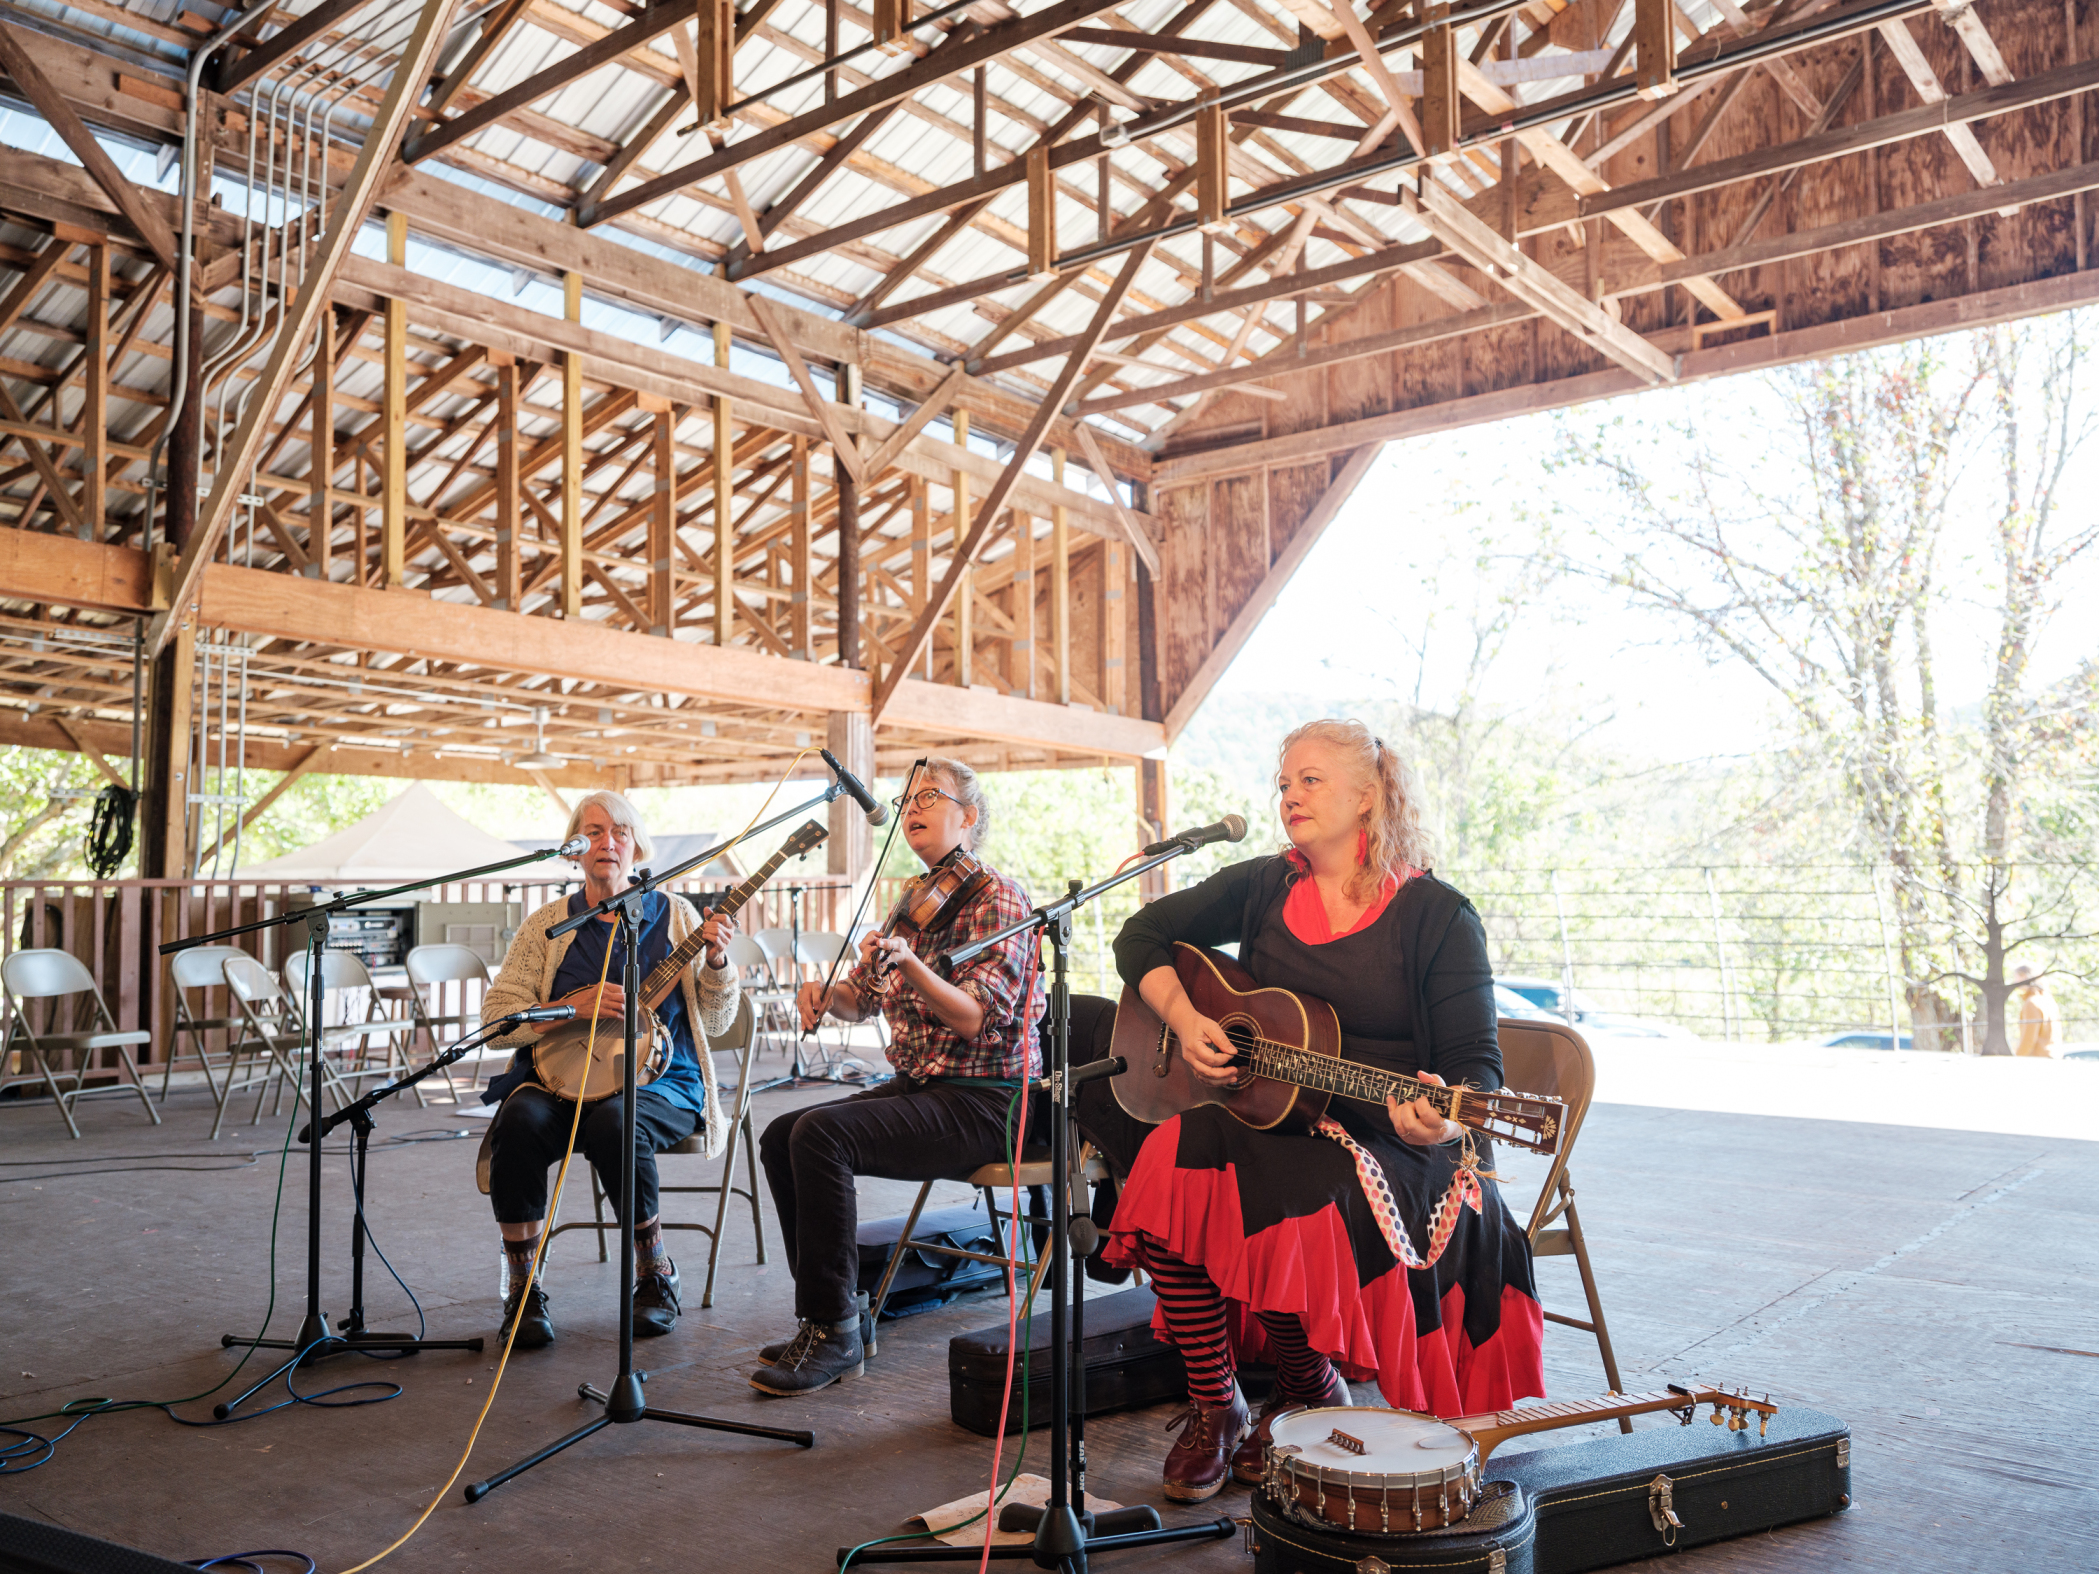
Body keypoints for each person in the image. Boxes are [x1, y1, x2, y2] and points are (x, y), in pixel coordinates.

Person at [1100, 719, 1545, 1503]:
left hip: (1394, 1141)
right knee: (1165, 1162)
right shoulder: (1266, 884)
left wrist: (1443, 1118)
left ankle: (1307, 1385)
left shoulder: (1437, 915)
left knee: (1300, 1200)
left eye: (1309, 780)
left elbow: (1475, 1068)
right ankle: (1220, 1405)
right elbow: (1144, 935)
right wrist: (1187, 1020)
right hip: (1274, 1114)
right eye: (1282, 782)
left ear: (1367, 795)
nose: (1288, 796)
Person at [754, 757, 1046, 1396]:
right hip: (927, 1088)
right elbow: (861, 1000)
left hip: (989, 1102)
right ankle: (832, 1312)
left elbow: (974, 1017)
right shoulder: (915, 901)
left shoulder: (1000, 898)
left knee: (821, 1137)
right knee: (781, 1134)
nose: (911, 808)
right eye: (908, 796)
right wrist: (823, 994)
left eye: (930, 796)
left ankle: (833, 1330)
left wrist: (910, 963)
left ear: (968, 818)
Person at [480, 790, 740, 1348]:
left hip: (663, 1083)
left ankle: (655, 1277)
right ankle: (524, 1293)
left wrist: (717, 962)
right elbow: (499, 1017)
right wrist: (574, 1007)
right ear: (574, 850)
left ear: (636, 845)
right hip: (557, 1080)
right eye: (593, 832)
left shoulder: (677, 918)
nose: (607, 842)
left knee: (614, 1124)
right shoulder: (545, 926)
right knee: (519, 1118)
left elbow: (716, 1021)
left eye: (619, 831)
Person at [2015, 965, 2062, 1058]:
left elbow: (2028, 1040)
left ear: (2024, 977)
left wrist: (2016, 1060)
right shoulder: (2049, 1001)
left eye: (2016, 977)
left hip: (2038, 1062)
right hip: (2054, 1058)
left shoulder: (2032, 1003)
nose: (2014, 982)